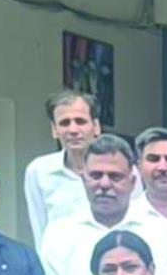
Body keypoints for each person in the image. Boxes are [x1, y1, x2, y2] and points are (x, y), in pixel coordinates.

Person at [39, 134, 167, 275]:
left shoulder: (159, 231)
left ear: (133, 182)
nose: (104, 184)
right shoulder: (59, 234)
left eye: (115, 177)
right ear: (83, 179)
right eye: (96, 176)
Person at [25, 90, 108, 247]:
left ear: (96, 127)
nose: (73, 130)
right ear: (54, 130)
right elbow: (40, 230)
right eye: (64, 123)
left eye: (80, 121)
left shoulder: (121, 170)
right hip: (60, 267)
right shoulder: (39, 171)